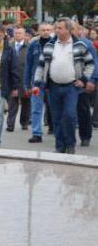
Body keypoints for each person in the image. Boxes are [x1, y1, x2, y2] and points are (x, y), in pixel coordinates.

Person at [33, 18, 94, 154]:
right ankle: (60, 146)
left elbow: (90, 63)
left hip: (71, 87)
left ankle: (70, 144)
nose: (56, 31)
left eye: (59, 28)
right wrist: (37, 84)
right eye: (56, 28)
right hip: (53, 87)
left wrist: (84, 80)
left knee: (69, 115)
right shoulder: (49, 45)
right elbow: (41, 66)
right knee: (56, 117)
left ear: (68, 30)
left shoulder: (79, 45)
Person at [25, 22, 55, 143]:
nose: (46, 32)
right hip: (37, 82)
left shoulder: (55, 44)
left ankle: (55, 129)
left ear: (51, 30)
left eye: (48, 30)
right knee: (36, 108)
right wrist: (27, 83)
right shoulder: (33, 45)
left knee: (53, 107)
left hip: (52, 81)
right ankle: (36, 133)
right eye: (43, 30)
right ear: (38, 31)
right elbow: (28, 64)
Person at [72, 23, 96, 147]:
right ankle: (67, 138)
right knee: (67, 112)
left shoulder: (86, 44)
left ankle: (85, 136)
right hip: (66, 84)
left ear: (79, 31)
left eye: (73, 29)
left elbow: (94, 63)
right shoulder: (61, 43)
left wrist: (91, 80)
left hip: (82, 83)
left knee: (83, 110)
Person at [6, 26, 30, 132]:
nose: (17, 35)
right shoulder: (8, 46)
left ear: (24, 35)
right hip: (11, 79)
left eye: (20, 33)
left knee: (26, 103)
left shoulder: (29, 47)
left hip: (25, 79)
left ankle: (24, 123)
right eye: (16, 33)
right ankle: (10, 124)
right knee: (12, 104)